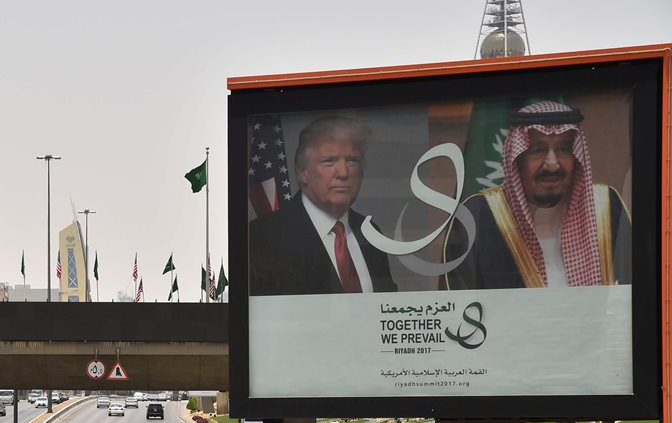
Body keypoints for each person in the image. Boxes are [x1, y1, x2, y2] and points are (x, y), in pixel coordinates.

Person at [444, 101, 632, 289]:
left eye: (564, 149)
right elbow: (458, 309)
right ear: (517, 160)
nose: (552, 163)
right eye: (537, 150)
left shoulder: (606, 208)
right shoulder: (480, 215)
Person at [249, 116, 398, 296]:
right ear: (303, 171)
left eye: (352, 161)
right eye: (329, 161)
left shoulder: (371, 234)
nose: (343, 173)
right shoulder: (264, 236)